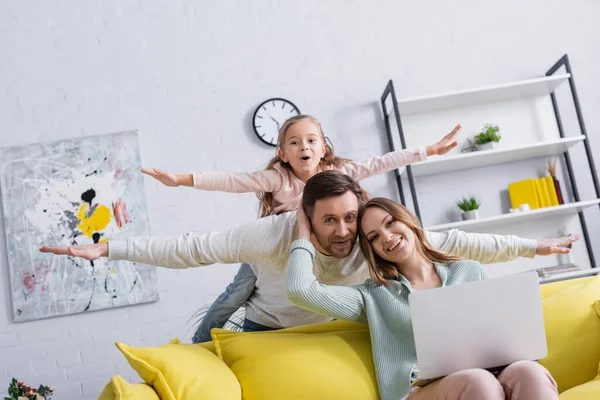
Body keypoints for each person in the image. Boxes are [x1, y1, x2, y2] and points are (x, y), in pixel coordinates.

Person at [39, 171, 580, 340]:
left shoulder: (376, 238)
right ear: (307, 217)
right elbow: (190, 248)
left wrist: (538, 244)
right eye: (329, 220)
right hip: (272, 327)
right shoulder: (273, 235)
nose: (344, 231)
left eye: (352, 219)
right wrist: (106, 247)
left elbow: (460, 242)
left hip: (339, 325)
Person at [142, 114, 462, 341]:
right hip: (275, 250)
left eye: (311, 140)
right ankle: (199, 345)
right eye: (293, 143)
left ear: (323, 148)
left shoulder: (341, 174)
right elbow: (232, 181)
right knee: (234, 296)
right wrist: (179, 180)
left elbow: (382, 162)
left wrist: (430, 151)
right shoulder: (278, 179)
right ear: (283, 154)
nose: (303, 146)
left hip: (317, 253)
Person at [286, 196, 559, 400]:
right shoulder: (374, 296)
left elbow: (499, 334)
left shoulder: (468, 270)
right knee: (479, 382)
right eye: (374, 237)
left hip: (490, 371)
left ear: (408, 220)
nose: (388, 237)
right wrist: (303, 233)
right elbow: (300, 290)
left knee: (528, 372)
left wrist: (517, 349)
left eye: (390, 223)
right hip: (422, 390)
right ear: (372, 250)